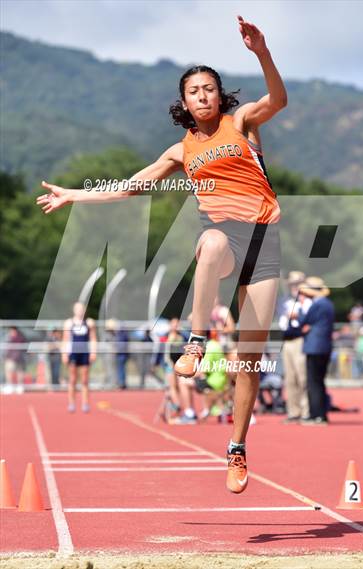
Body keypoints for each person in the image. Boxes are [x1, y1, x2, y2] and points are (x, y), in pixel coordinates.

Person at [36, 15, 287, 493]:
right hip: (225, 239)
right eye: (195, 90)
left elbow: (278, 99)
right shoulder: (180, 150)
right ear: (185, 102)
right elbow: (131, 188)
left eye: (210, 87)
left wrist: (262, 53)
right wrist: (73, 194)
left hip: (264, 243)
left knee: (248, 359)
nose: (204, 95)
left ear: (220, 95)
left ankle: (236, 447)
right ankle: (196, 340)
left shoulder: (242, 121)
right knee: (210, 242)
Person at [293, 277, 335, 426]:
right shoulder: (328, 304)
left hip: (314, 347)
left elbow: (304, 320)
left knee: (314, 382)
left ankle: (317, 415)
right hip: (324, 347)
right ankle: (320, 414)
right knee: (319, 382)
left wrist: (300, 310)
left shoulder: (317, 305)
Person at [278, 271, 311, 423]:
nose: (294, 287)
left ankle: (306, 411)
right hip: (287, 340)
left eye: (297, 284)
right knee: (290, 378)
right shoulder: (284, 301)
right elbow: (281, 322)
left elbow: (308, 319)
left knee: (302, 377)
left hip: (300, 340)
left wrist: (297, 315)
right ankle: (293, 411)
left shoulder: (307, 301)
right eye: (292, 284)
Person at [62, 301, 97, 413]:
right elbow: (65, 339)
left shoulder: (90, 323)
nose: (80, 311)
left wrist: (93, 352)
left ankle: (85, 403)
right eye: (77, 309)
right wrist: (64, 354)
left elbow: (93, 338)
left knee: (85, 379)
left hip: (85, 353)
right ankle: (71, 403)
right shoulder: (69, 323)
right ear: (74, 310)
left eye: (81, 309)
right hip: (73, 352)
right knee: (72, 379)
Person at [4, 327, 26, 392]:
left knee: (20, 372)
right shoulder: (8, 337)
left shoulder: (20, 338)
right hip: (10, 358)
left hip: (19, 358)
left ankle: (20, 386)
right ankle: (10, 385)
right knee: (8, 371)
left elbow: (24, 348)